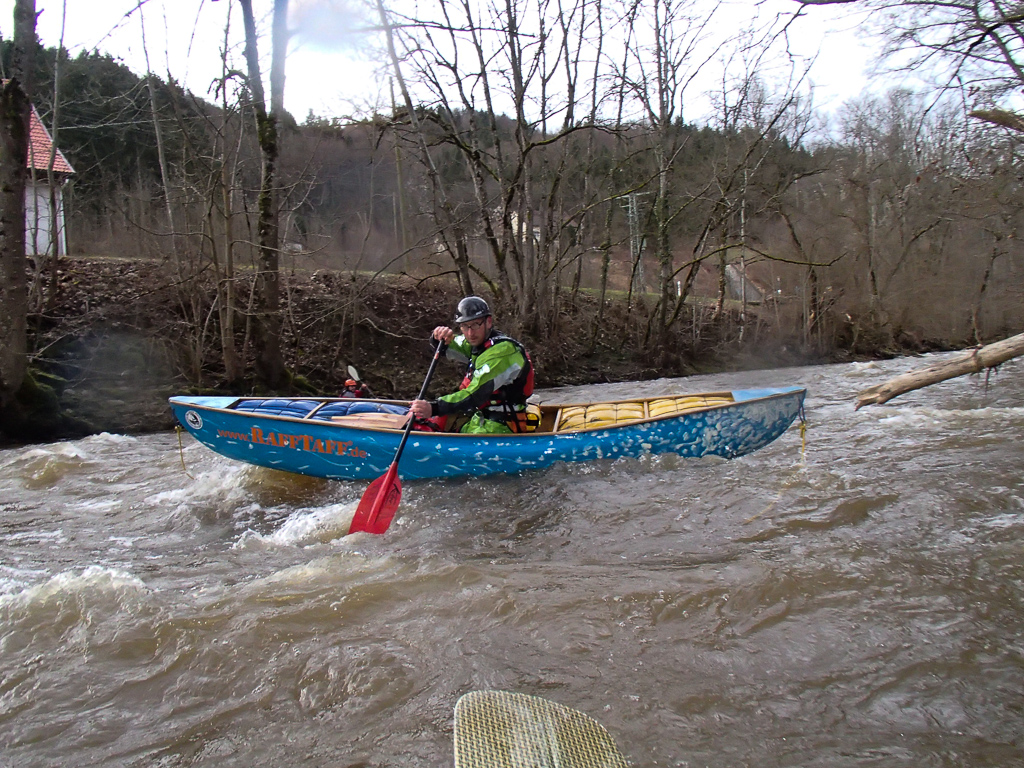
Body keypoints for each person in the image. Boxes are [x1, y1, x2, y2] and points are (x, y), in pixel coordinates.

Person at [409, 296, 534, 434]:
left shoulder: (502, 352)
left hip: (500, 427)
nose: (470, 333)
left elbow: (474, 395)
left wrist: (434, 408)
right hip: (480, 419)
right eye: (464, 326)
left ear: (488, 322)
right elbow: (452, 345)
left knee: (443, 417)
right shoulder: (478, 343)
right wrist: (438, 336)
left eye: (475, 324)